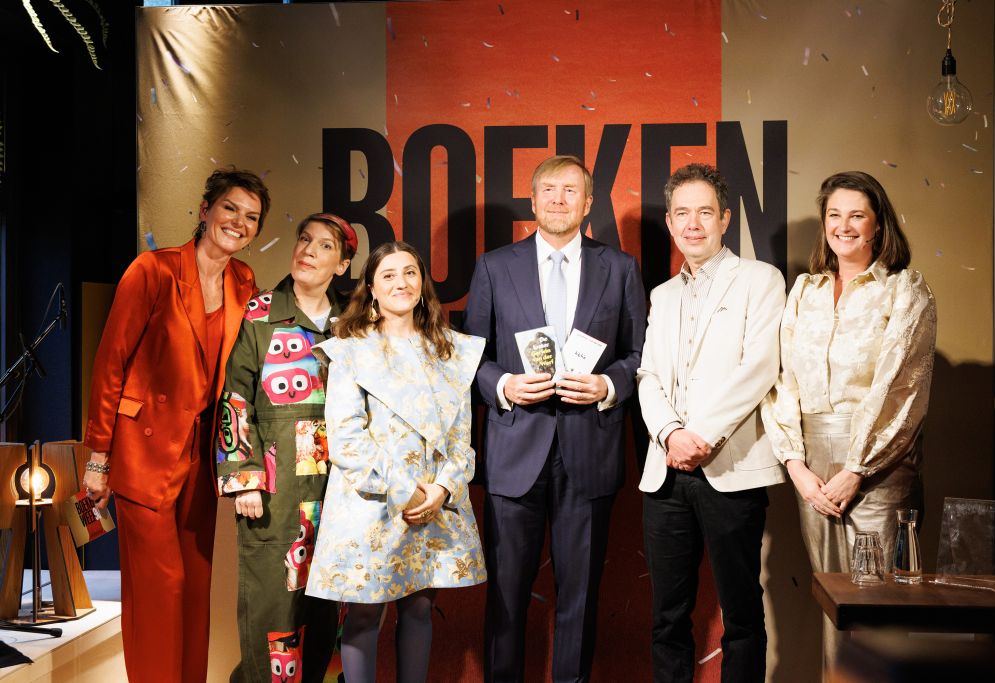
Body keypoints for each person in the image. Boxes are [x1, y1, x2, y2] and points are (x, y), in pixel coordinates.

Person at [463, 154, 646, 683]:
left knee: (580, 597)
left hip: (590, 449)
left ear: (588, 203)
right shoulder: (495, 266)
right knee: (505, 596)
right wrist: (504, 385)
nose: (559, 199)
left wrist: (608, 385)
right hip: (514, 451)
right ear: (533, 199)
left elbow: (639, 354)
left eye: (570, 191)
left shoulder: (621, 268)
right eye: (549, 189)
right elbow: (471, 356)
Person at [82, 168, 269, 682]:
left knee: (194, 585)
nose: (239, 222)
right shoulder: (153, 270)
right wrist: (97, 458)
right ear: (205, 210)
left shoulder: (243, 280)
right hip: (143, 452)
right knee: (158, 587)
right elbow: (110, 365)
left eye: (251, 217)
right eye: (230, 208)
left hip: (202, 455)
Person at [761, 170, 936, 666]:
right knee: (832, 602)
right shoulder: (806, 291)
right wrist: (796, 466)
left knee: (877, 604)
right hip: (812, 468)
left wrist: (857, 468)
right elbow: (782, 381)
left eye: (857, 215)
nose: (844, 226)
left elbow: (900, 389)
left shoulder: (905, 289)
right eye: (834, 215)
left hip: (880, 468)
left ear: (879, 224)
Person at [306, 241, 486, 683]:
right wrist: (406, 490)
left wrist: (442, 488)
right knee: (365, 613)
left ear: (422, 283)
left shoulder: (451, 350)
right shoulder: (351, 350)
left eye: (410, 273)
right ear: (371, 287)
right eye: (388, 275)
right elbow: (346, 438)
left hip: (433, 505)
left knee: (420, 607)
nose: (401, 283)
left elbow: (461, 438)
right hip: (371, 503)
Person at [636, 163, 786, 682]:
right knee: (667, 617)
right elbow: (648, 375)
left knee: (741, 614)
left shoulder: (761, 280)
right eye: (682, 213)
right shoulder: (663, 295)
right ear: (670, 223)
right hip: (665, 473)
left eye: (704, 212)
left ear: (725, 219)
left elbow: (760, 367)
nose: (693, 223)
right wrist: (670, 434)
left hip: (731, 468)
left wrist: (700, 436)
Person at [216, 213, 358, 682]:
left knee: (327, 612)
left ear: (342, 265)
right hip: (277, 494)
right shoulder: (259, 314)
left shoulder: (353, 323)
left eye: (324, 246)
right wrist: (245, 478)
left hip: (338, 493)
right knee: (272, 609)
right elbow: (236, 396)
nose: (308, 251)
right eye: (304, 239)